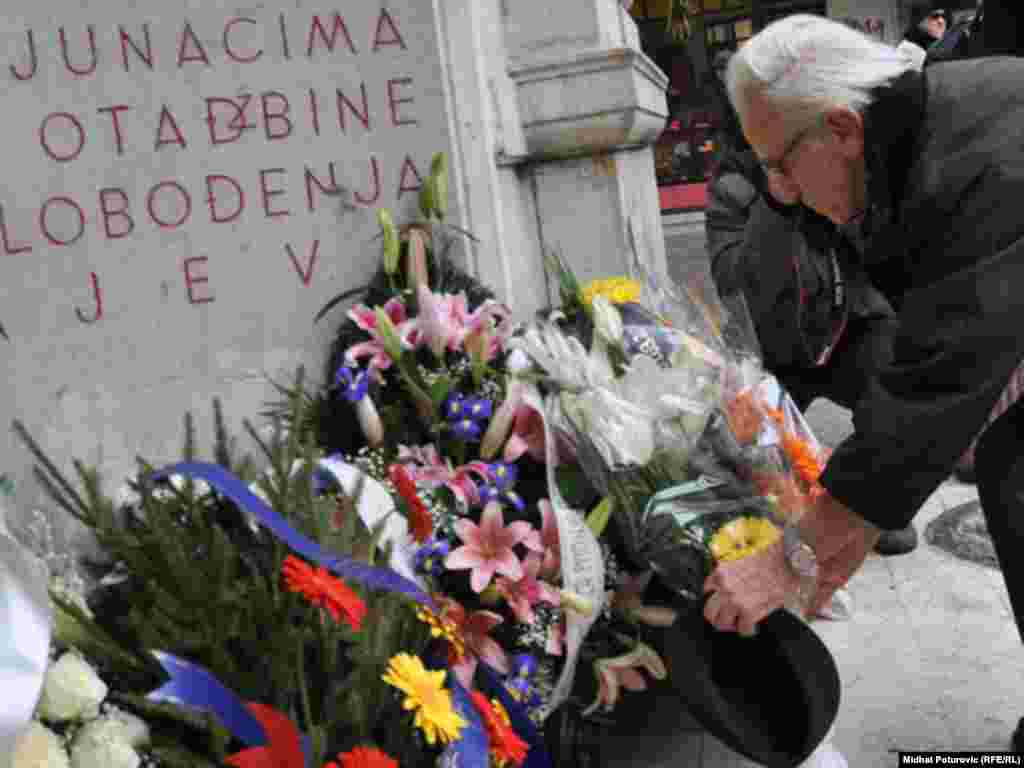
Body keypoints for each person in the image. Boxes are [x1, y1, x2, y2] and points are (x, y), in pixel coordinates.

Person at [702, 15, 1024, 749]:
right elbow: (764, 298)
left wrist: (794, 557)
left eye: (779, 164)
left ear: (842, 128)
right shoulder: (898, 147)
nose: (774, 187)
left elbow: (939, 376)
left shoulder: (984, 156)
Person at [703, 50, 918, 556]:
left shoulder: (842, 160)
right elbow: (737, 285)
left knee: (895, 376)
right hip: (774, 353)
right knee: (731, 470)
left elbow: (894, 255)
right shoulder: (734, 189)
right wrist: (776, 206)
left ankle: (863, 487)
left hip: (850, 332)